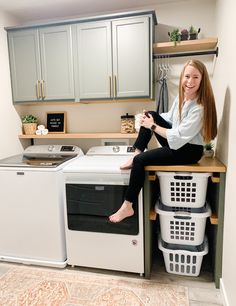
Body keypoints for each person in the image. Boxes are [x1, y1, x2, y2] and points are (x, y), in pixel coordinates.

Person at [109, 59, 217, 223]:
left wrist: (152, 126)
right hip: (178, 144)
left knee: (141, 160)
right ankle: (136, 153)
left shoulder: (199, 108)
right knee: (151, 113)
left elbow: (179, 135)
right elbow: (169, 118)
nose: (190, 81)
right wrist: (149, 118)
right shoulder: (182, 99)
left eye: (196, 77)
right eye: (187, 76)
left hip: (190, 151)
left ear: (202, 80)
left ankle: (127, 206)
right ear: (182, 78)